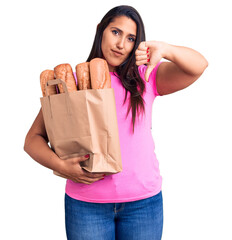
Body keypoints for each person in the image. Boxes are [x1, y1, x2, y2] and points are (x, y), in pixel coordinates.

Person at [24, 5, 208, 240]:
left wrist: (165, 49)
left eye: (130, 38)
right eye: (116, 32)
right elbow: (32, 140)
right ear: (101, 30)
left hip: (143, 204)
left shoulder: (145, 78)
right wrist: (60, 166)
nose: (121, 44)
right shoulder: (73, 83)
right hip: (86, 205)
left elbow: (199, 65)